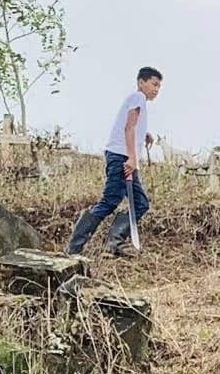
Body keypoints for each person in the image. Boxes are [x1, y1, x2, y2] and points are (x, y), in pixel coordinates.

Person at [66, 67, 162, 256]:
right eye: (154, 84)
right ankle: (74, 247)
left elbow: (132, 126)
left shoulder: (137, 100)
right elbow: (128, 127)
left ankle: (114, 242)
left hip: (121, 156)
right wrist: (132, 158)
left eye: (159, 86)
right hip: (122, 157)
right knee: (110, 201)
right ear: (141, 82)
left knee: (140, 203)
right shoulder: (138, 97)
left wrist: (144, 134)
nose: (156, 89)